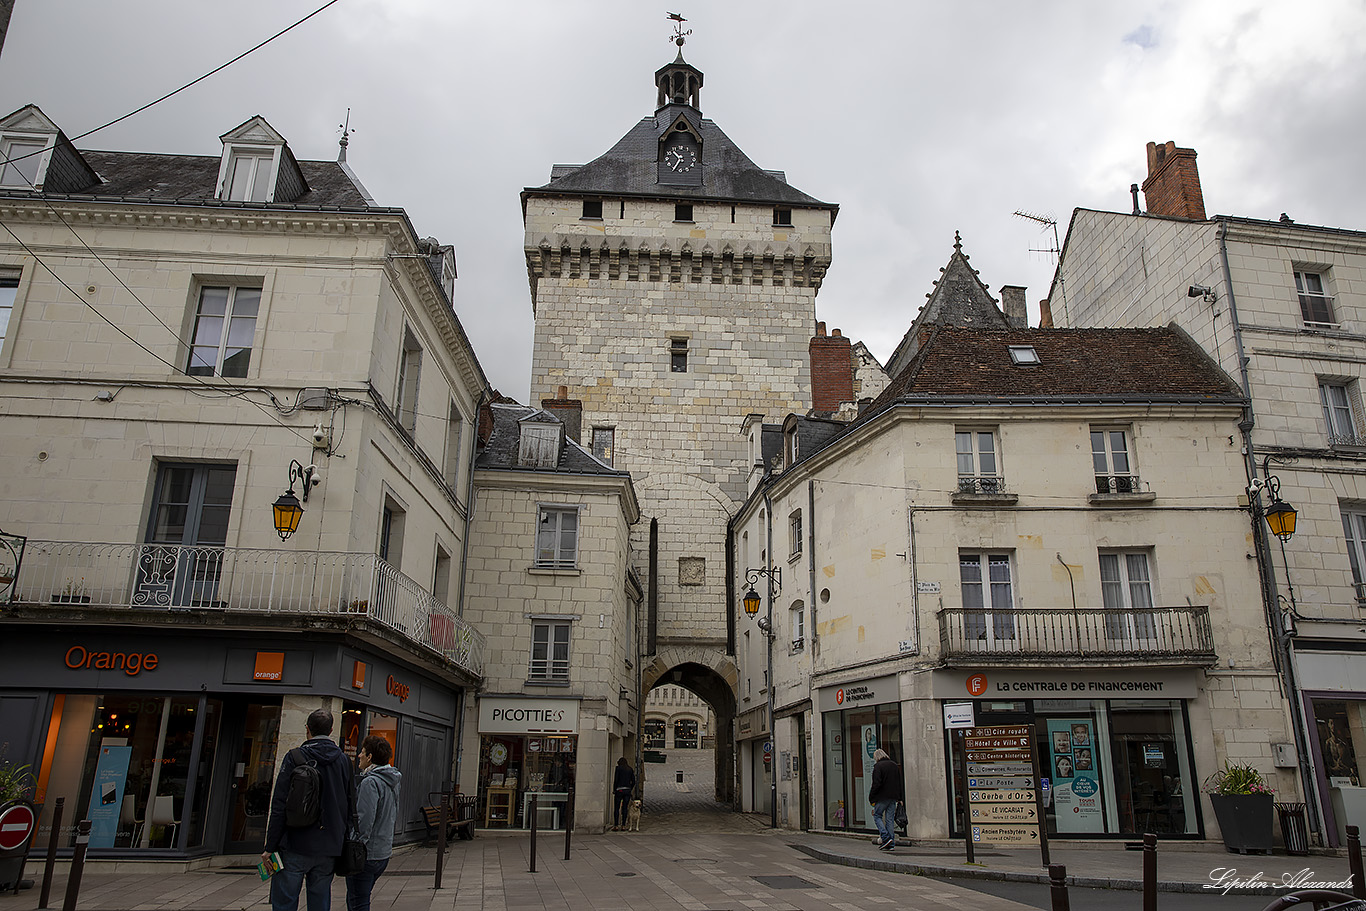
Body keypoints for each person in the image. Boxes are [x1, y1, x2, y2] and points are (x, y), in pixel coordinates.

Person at [263, 709, 354, 911]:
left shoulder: (294, 757)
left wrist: (270, 846)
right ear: (331, 730)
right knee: (320, 900)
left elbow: (279, 805)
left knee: (285, 900)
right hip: (329, 844)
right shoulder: (344, 761)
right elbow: (349, 805)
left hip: (296, 841)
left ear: (307, 729)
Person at [346, 735, 401, 911]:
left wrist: (356, 845)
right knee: (362, 898)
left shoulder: (370, 783)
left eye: (362, 752)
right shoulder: (392, 781)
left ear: (370, 757)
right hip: (383, 852)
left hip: (367, 854)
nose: (359, 756)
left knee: (358, 902)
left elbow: (364, 820)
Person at [867, 748, 903, 851]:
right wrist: (900, 797)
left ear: (876, 757)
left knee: (877, 815)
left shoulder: (878, 767)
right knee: (889, 819)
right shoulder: (894, 765)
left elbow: (876, 784)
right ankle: (891, 843)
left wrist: (872, 797)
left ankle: (885, 837)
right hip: (893, 796)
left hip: (882, 796)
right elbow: (898, 782)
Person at [611, 757, 635, 831]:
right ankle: (623, 825)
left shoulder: (618, 769)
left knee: (617, 808)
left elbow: (616, 780)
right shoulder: (630, 769)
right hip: (627, 790)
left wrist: (614, 789)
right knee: (625, 808)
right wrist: (630, 788)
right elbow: (633, 781)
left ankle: (616, 825)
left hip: (619, 790)